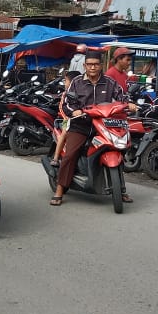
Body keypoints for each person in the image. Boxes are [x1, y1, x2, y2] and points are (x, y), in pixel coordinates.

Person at [51, 50, 130, 206]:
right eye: (89, 64)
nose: (92, 67)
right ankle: (59, 189)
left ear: (101, 66)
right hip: (81, 125)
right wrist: (74, 111)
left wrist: (129, 104)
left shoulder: (109, 82)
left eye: (96, 64)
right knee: (70, 154)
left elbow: (122, 97)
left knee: (118, 148)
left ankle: (120, 189)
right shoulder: (77, 82)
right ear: (84, 66)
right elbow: (67, 102)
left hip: (103, 124)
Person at [49, 69, 81, 168]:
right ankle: (55, 158)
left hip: (81, 119)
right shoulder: (66, 94)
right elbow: (61, 108)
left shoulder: (82, 92)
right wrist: (67, 118)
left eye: (66, 80)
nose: (65, 83)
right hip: (67, 119)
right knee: (64, 134)